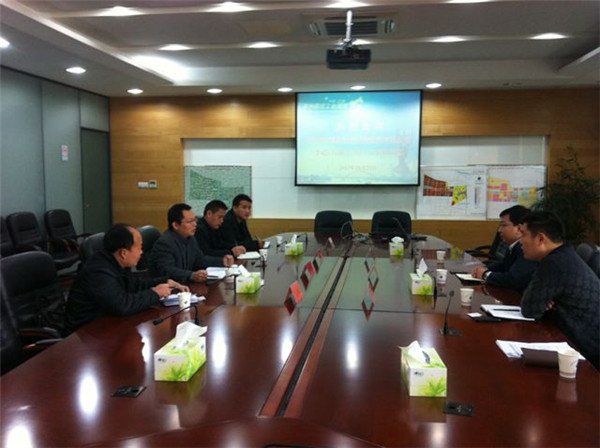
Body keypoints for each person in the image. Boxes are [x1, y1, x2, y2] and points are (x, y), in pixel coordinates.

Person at [64, 224, 188, 335]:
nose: (141, 252)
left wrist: (164, 282)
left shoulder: (114, 262)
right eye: (139, 248)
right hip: (84, 333)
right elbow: (122, 305)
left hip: (105, 323)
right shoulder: (98, 271)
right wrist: (155, 293)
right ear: (124, 252)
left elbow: (133, 284)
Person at [520, 211, 599, 370]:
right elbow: (534, 301)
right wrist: (544, 303)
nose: (520, 241)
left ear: (541, 239)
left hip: (586, 356)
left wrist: (544, 304)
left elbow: (529, 309)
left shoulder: (554, 263)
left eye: (523, 235)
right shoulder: (565, 254)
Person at [150, 203, 233, 283]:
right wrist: (191, 275)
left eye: (195, 220)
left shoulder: (190, 238)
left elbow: (200, 260)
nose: (195, 224)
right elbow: (167, 270)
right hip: (167, 288)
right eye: (190, 221)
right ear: (175, 225)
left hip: (184, 285)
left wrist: (222, 261)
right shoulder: (165, 243)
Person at [471, 205, 538, 292]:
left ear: (519, 229)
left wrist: (485, 274)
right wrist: (485, 268)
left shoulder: (527, 248)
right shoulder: (513, 246)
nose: (499, 230)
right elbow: (503, 265)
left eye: (503, 225)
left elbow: (513, 279)